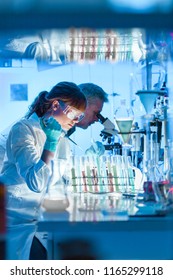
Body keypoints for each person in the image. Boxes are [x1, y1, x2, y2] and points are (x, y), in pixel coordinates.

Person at [0, 81, 87, 260]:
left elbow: (62, 178)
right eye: (74, 113)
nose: (77, 121)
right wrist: (50, 144)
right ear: (55, 105)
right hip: (15, 217)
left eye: (81, 115)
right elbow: (36, 182)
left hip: (40, 217)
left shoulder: (60, 136)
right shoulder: (23, 129)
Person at [67, 83, 109, 156]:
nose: (96, 119)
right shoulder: (52, 128)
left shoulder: (69, 129)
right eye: (96, 113)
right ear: (81, 104)